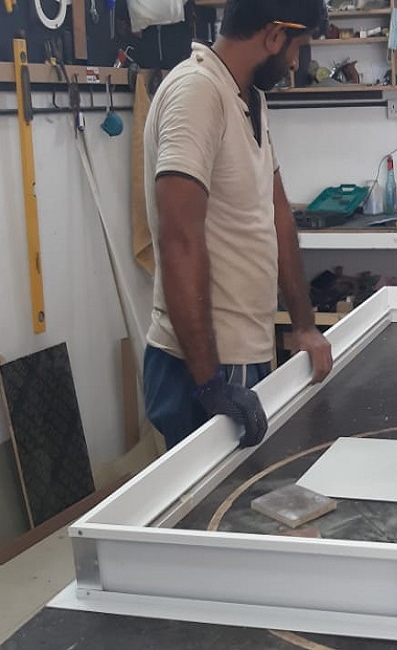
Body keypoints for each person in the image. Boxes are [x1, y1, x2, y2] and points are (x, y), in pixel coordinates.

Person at [143, 0, 332, 450]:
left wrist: (304, 325)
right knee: (210, 498)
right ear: (274, 35)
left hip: (243, 356)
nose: (294, 62)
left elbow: (277, 215)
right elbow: (179, 241)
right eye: (297, 47)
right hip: (200, 366)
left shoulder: (249, 99)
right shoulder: (197, 94)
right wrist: (209, 383)